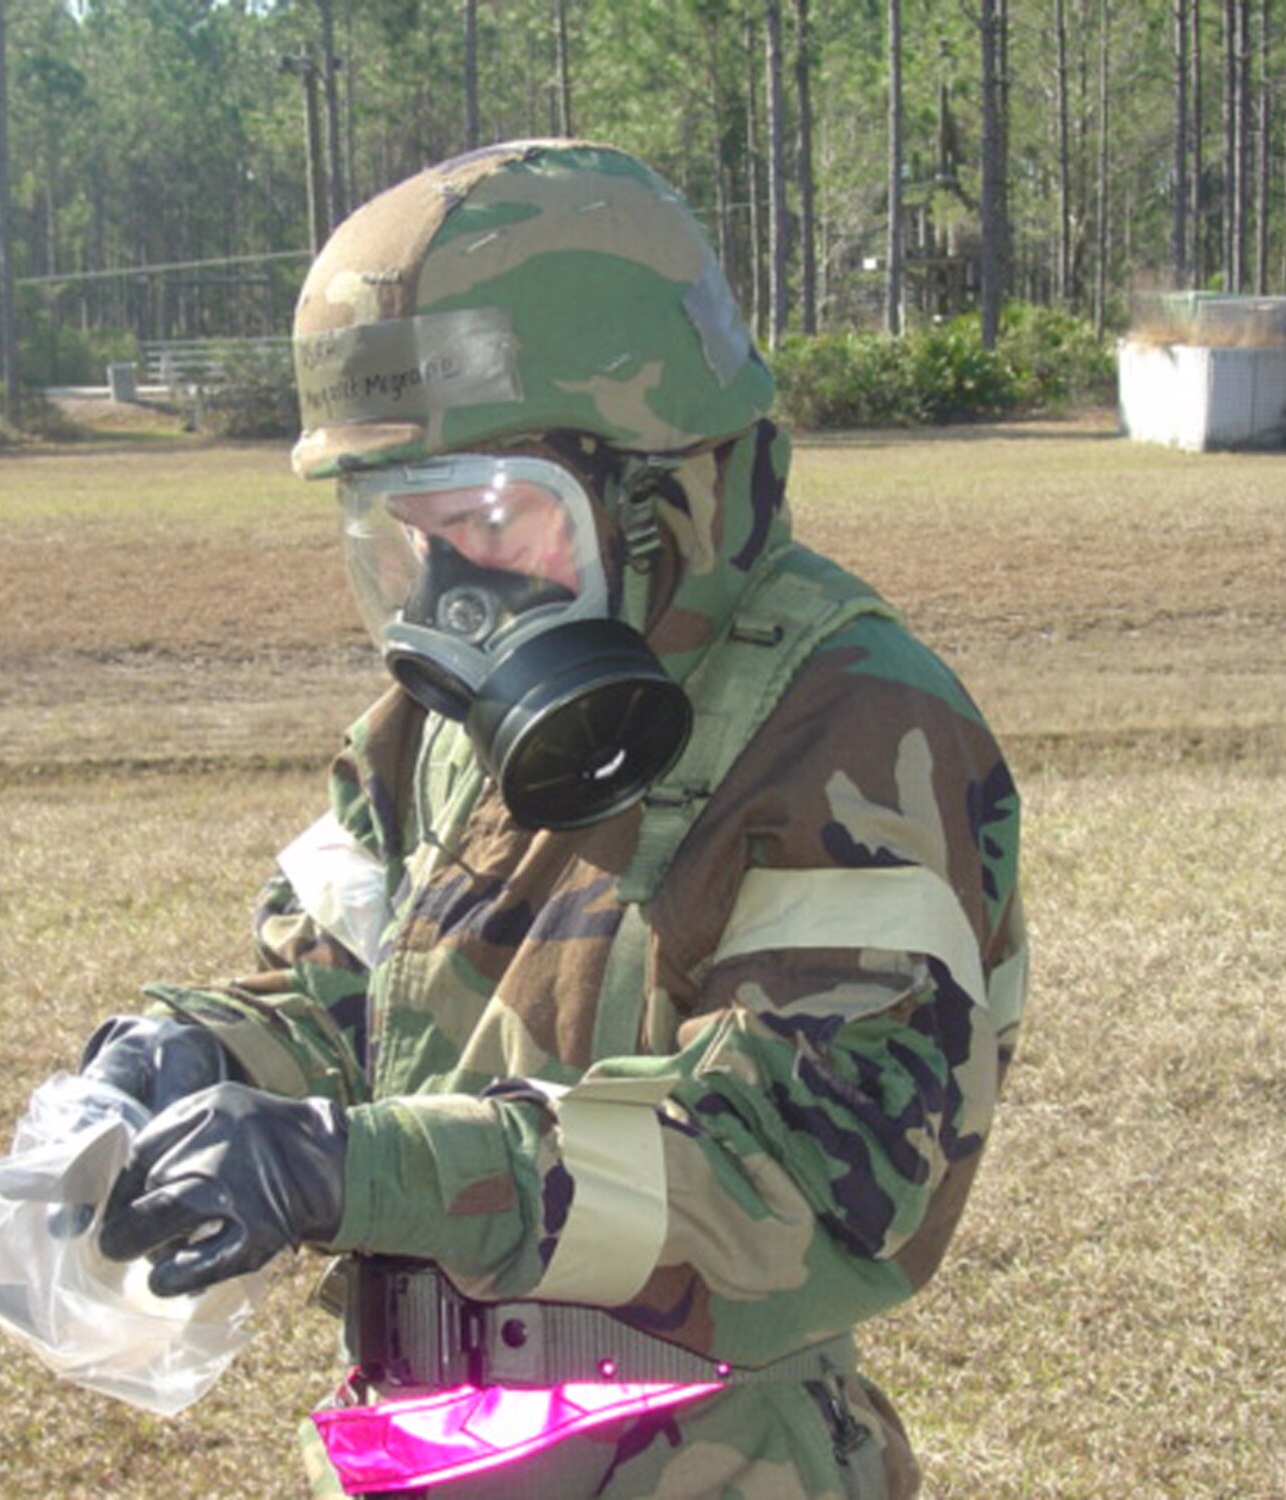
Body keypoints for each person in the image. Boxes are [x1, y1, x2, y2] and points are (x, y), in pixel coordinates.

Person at [76, 140, 1028, 1499]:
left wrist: (356, 1168)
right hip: (432, 1445)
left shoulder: (852, 721)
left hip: (704, 1462)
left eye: (489, 516)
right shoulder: (434, 731)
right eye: (407, 530)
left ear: (658, 487)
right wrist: (187, 1055)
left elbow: (802, 1175)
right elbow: (339, 996)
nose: (450, 594)